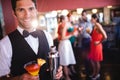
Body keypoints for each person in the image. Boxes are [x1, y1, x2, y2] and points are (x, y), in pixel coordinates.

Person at [0, 0, 63, 80]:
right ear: (14, 13)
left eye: (31, 9)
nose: (27, 15)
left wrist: (57, 70)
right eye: (21, 10)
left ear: (36, 11)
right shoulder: (4, 44)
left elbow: (51, 61)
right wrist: (19, 78)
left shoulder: (47, 35)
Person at [57, 15, 78, 80]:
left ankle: (65, 75)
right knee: (65, 62)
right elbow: (63, 38)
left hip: (64, 44)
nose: (67, 20)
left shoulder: (60, 25)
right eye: (66, 19)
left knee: (65, 60)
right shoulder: (63, 25)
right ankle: (67, 77)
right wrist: (72, 34)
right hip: (64, 44)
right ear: (63, 20)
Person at [88, 14, 107, 80]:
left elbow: (105, 36)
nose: (91, 19)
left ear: (95, 19)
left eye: (92, 18)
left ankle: (96, 74)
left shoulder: (98, 25)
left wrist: (99, 42)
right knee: (92, 59)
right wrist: (89, 33)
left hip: (97, 46)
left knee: (96, 61)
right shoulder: (95, 26)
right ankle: (94, 73)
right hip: (93, 45)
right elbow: (95, 36)